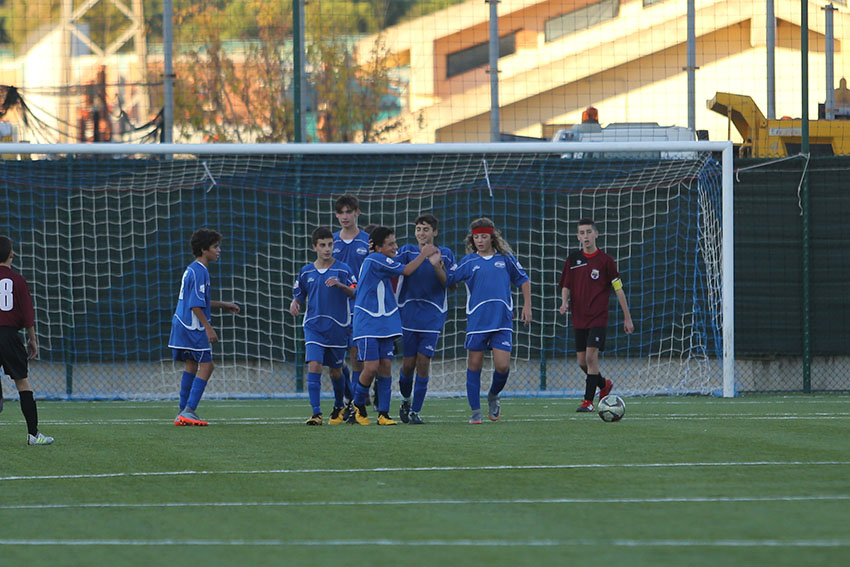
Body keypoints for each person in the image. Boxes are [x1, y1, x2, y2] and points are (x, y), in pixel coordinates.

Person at [350, 226, 443, 425]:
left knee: (385, 367)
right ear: (377, 247)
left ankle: (383, 413)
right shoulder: (374, 259)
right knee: (371, 367)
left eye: (395, 242)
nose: (396, 247)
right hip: (367, 320)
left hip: (386, 320)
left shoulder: (385, 260)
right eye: (391, 244)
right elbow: (408, 270)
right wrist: (424, 253)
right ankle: (357, 404)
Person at [445, 218, 531, 424]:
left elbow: (523, 279)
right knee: (474, 364)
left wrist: (527, 305)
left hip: (502, 320)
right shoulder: (468, 262)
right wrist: (438, 265)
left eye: (484, 236)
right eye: (476, 237)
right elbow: (449, 280)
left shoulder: (505, 258)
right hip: (478, 321)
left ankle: (493, 395)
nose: (480, 240)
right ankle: (475, 412)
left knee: (502, 366)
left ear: (492, 237)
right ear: (471, 239)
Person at [558, 218, 634, 412]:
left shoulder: (606, 261)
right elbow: (566, 285)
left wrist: (627, 317)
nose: (586, 236)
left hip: (598, 317)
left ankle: (588, 402)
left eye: (588, 232)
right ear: (578, 237)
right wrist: (564, 302)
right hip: (579, 317)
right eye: (582, 233)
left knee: (592, 358)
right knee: (582, 362)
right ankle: (603, 385)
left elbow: (618, 289)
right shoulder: (573, 260)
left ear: (596, 234)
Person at [168, 228, 240, 426]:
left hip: (181, 323)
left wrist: (224, 305)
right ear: (203, 249)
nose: (219, 250)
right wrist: (208, 327)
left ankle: (182, 412)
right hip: (193, 326)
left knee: (191, 363)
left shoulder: (192, 269)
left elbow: (198, 300)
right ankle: (189, 410)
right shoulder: (201, 271)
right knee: (207, 365)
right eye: (215, 247)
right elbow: (195, 304)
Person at [289, 227, 356, 425]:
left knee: (335, 371)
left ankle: (338, 405)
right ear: (314, 247)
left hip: (337, 326)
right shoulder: (306, 271)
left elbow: (355, 291)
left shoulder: (343, 269)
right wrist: (295, 302)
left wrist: (340, 285)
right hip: (313, 326)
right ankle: (316, 413)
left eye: (330, 245)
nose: (327, 249)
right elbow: (299, 294)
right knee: (314, 365)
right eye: (322, 245)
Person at [395, 214, 455, 424]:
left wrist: (437, 265)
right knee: (408, 364)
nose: (422, 233)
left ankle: (415, 411)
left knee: (423, 362)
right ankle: (405, 400)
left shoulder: (445, 254)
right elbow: (397, 270)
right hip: (408, 314)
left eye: (426, 229)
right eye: (419, 229)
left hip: (432, 315)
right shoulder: (406, 251)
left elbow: (451, 284)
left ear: (435, 232)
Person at [0, 236, 54, 445]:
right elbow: (27, 315)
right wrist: (32, 339)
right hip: (10, 337)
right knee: (22, 382)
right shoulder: (18, 280)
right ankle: (33, 435)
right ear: (11, 255)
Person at [332, 195, 371, 416]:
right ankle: (349, 398)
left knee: (357, 354)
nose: (345, 216)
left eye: (349, 211)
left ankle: (357, 402)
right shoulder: (331, 242)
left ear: (357, 212)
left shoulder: (367, 240)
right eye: (341, 212)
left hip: (360, 305)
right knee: (336, 358)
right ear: (336, 215)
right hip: (336, 306)